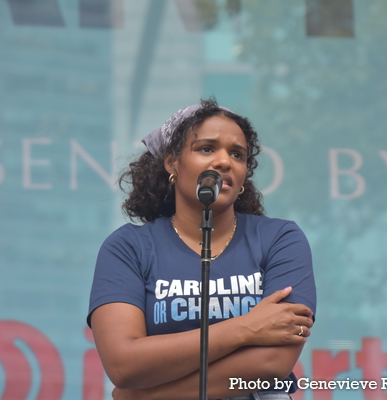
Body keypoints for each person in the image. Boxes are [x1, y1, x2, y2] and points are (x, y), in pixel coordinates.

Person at [87, 99, 317, 400]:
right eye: (207, 148)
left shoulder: (280, 239)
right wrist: (247, 327)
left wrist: (145, 397)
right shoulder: (128, 247)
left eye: (237, 154)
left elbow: (273, 361)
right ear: (172, 162)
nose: (224, 162)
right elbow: (124, 364)